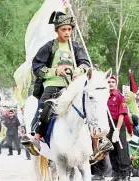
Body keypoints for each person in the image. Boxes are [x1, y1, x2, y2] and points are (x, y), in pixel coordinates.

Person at [22, 11, 90, 155]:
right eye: (63, 29)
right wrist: (54, 71)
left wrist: (79, 69)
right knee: (46, 104)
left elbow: (85, 63)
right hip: (52, 85)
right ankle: (37, 137)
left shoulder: (76, 47)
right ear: (56, 30)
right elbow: (37, 68)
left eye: (69, 29)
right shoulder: (49, 47)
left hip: (72, 86)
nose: (67, 32)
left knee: (90, 103)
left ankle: (97, 140)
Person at [105, 75, 131, 181]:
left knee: (122, 149)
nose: (111, 84)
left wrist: (117, 129)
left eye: (113, 82)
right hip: (108, 124)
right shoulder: (105, 96)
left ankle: (125, 173)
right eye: (109, 82)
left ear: (116, 84)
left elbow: (122, 114)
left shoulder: (119, 96)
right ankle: (116, 175)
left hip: (118, 124)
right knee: (112, 150)